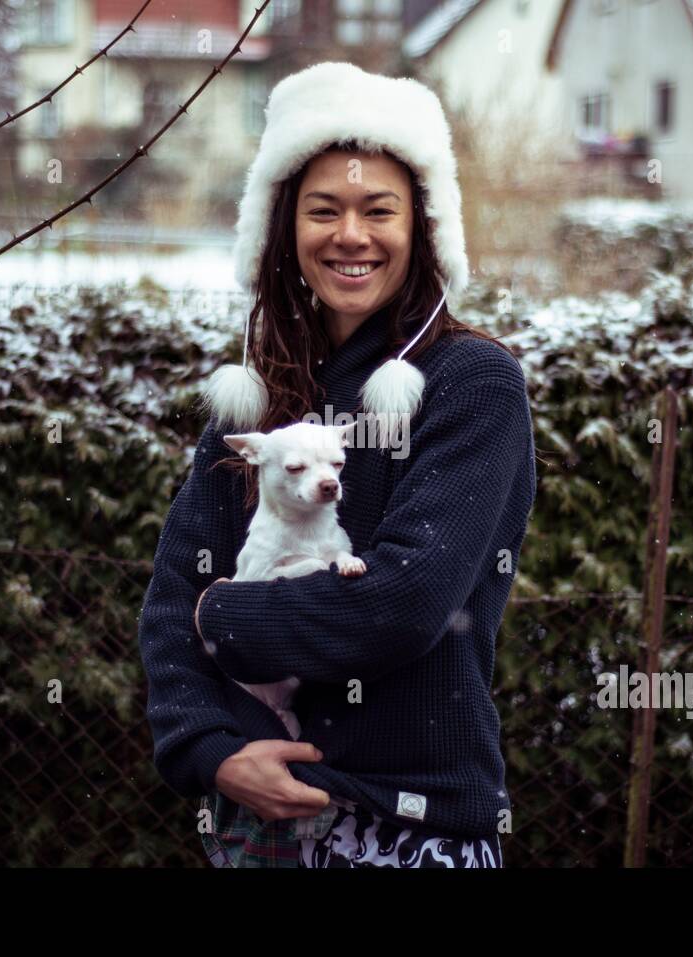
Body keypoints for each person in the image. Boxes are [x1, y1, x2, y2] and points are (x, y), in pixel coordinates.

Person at [138, 61, 536, 868]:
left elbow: (403, 600)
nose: (350, 234)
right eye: (323, 209)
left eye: (378, 209)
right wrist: (212, 748)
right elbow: (172, 593)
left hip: (412, 828)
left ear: (421, 229)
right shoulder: (258, 403)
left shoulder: (473, 384)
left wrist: (226, 621)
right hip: (257, 824)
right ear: (285, 228)